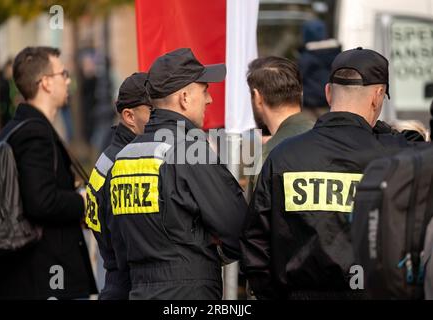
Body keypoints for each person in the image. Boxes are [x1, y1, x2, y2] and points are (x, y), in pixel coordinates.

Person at [241, 47, 407, 300]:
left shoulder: (284, 155)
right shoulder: (397, 158)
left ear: (328, 92)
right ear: (378, 95)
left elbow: (256, 244)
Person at [109, 48, 248, 300]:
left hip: (139, 289)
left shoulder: (124, 157)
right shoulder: (188, 148)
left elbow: (119, 244)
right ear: (184, 98)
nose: (209, 100)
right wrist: (212, 254)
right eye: (204, 91)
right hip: (190, 292)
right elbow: (238, 227)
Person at [0, 46, 97, 299]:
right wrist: (81, 202)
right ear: (45, 82)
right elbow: (40, 201)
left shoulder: (17, 128)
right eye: (63, 73)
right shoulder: (34, 134)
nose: (68, 80)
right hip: (44, 278)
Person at [85, 72, 152, 299]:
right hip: (130, 287)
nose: (162, 117)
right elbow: (128, 248)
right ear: (129, 116)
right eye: (153, 110)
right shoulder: (125, 165)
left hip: (117, 283)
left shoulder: (111, 156)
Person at [245, 56, 315, 200]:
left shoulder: (266, 157)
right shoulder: (334, 140)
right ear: (300, 94)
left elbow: (254, 218)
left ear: (258, 98)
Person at [298, 19, 341, 118]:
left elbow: (298, 78)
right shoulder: (337, 54)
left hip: (310, 105)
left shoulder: (306, 57)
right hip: (333, 102)